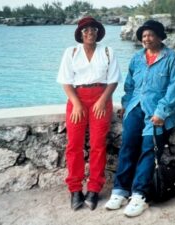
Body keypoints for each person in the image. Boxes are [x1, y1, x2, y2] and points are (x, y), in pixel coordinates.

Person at [105, 20, 175, 217]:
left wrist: (162, 112)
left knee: (149, 150)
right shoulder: (136, 59)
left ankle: (139, 195)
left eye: (150, 34)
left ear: (159, 36)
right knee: (127, 146)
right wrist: (126, 105)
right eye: (143, 36)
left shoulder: (172, 59)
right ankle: (120, 191)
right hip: (135, 107)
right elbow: (130, 86)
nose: (146, 38)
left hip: (157, 112)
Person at [57, 16, 122, 211]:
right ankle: (75, 189)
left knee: (98, 145)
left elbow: (113, 80)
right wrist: (76, 103)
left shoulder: (108, 52)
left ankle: (94, 189)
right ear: (80, 34)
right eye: (85, 30)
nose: (90, 32)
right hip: (77, 98)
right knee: (74, 145)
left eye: (93, 29)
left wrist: (102, 100)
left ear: (98, 32)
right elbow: (66, 81)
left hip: (101, 98)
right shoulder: (71, 52)